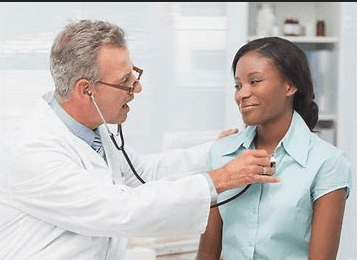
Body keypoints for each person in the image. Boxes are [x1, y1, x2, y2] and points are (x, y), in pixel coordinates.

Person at [0, 20, 279, 260]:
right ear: (86, 90)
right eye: (125, 81)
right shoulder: (32, 150)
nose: (137, 87)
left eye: (134, 74)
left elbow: (143, 173)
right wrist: (219, 179)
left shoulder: (90, 131)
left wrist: (216, 151)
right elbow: (121, 209)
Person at [196, 36, 353, 260]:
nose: (242, 94)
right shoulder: (222, 153)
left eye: (255, 81)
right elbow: (207, 254)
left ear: (289, 86)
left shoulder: (327, 163)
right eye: (238, 85)